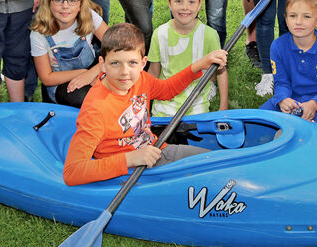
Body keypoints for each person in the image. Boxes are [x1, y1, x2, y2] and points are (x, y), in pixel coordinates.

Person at [63, 23, 226, 186]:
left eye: (132, 63)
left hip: (157, 152)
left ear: (143, 63)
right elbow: (72, 172)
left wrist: (199, 64)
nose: (124, 71)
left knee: (218, 164)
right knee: (213, 179)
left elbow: (167, 89)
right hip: (126, 176)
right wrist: (130, 159)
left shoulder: (141, 79)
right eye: (115, 63)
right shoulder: (95, 110)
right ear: (102, 64)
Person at [148, 0, 229, 117]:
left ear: (199, 4)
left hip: (197, 108)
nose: (185, 7)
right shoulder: (159, 34)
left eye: (191, 2)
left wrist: (223, 106)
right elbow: (153, 72)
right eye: (178, 1)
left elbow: (221, 71)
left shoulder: (209, 35)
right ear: (169, 3)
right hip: (163, 109)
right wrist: (143, 104)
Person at [258, 0, 317, 127]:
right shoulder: (277, 46)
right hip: (290, 99)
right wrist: (283, 99)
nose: (298, 22)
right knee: (258, 122)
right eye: (292, 16)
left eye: (307, 17)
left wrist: (315, 104)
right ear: (285, 19)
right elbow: (281, 82)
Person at [30, 0, 109, 108]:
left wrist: (92, 72)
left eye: (72, 0)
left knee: (118, 84)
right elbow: (47, 78)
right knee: (87, 100)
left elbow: (116, 47)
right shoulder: (39, 34)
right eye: (58, 0)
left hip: (94, 69)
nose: (65, 6)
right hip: (61, 82)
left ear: (80, 4)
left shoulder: (88, 16)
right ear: (48, 2)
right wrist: (82, 73)